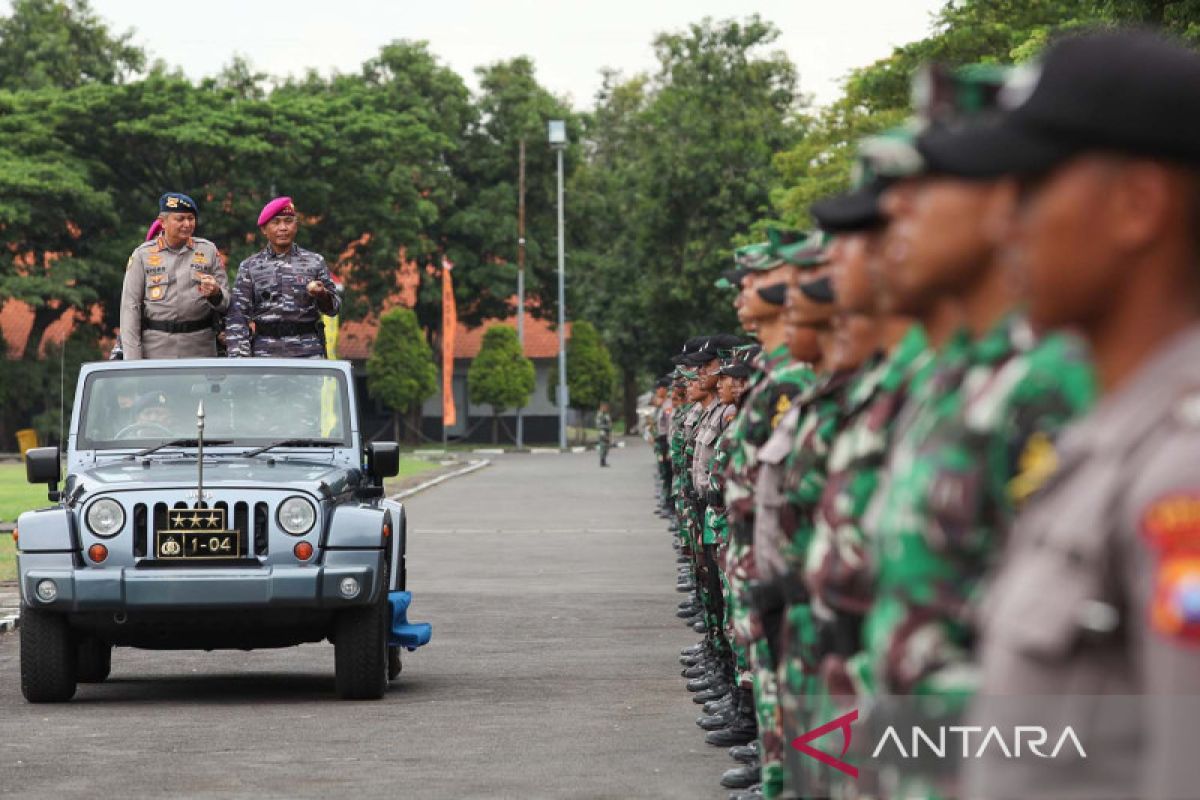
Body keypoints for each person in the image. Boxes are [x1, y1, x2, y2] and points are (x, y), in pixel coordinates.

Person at [913, 29, 1200, 799]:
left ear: (1137, 206)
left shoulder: (1184, 471)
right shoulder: (1111, 440)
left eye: (1031, 186)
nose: (1005, 223)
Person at [226, 196, 340, 358]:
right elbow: (237, 315)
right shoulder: (250, 266)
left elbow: (334, 308)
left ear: (296, 226)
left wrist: (322, 295)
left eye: (288, 221)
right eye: (276, 222)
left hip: (307, 352)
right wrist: (239, 356)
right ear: (264, 229)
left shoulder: (315, 262)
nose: (283, 228)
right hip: (265, 352)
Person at [119, 193, 229, 359]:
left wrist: (216, 293)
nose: (187, 224)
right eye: (180, 219)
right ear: (162, 222)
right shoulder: (143, 255)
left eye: (191, 219)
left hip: (200, 347)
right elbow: (130, 308)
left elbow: (228, 302)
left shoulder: (208, 251)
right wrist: (133, 361)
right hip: (157, 347)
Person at [596, 402, 613, 467]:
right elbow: (598, 425)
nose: (606, 408)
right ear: (601, 407)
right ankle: (602, 461)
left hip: (607, 432)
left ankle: (604, 460)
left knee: (607, 447)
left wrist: (610, 427)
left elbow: (609, 422)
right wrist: (607, 426)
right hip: (602, 433)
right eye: (604, 407)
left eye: (606, 407)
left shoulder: (606, 414)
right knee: (603, 446)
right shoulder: (599, 415)